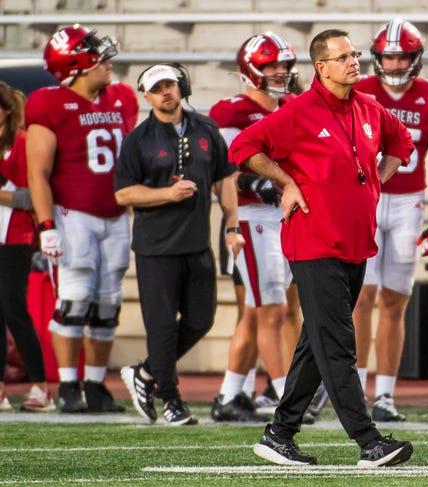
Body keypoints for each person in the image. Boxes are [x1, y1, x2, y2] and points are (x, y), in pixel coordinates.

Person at [230, 28, 415, 467]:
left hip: (355, 244)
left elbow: (402, 143)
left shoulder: (370, 108)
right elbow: (243, 148)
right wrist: (287, 181)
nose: (354, 61)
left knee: (316, 343)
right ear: (321, 67)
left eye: (355, 54)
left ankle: (279, 433)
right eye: (344, 56)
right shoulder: (298, 112)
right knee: (337, 343)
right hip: (313, 242)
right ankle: (369, 441)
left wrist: (376, 181)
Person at [116, 63, 242, 426]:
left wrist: (232, 225)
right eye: (157, 89)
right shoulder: (138, 139)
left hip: (197, 243)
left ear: (181, 85)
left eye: (169, 85)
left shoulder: (206, 128)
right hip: (156, 247)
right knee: (162, 327)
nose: (165, 93)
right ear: (147, 96)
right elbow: (124, 192)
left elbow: (226, 179)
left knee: (202, 320)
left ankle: (146, 373)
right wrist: (167, 193)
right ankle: (170, 398)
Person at [26, 24, 138, 413]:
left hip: (116, 215)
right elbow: (37, 173)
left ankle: (94, 384)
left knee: (108, 304)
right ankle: (69, 385)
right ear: (75, 64)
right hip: (73, 215)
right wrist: (46, 225)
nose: (106, 61)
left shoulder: (122, 97)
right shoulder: (48, 103)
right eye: (95, 54)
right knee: (73, 301)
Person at [352, 18, 428, 422]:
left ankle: (386, 395)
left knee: (395, 301)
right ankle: (354, 388)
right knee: (361, 298)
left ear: (416, 59)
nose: (394, 66)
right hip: (365, 200)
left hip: (409, 201)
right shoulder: (358, 91)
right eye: (388, 57)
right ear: (377, 59)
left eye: (401, 57)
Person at [208, 32, 299, 423]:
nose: (279, 72)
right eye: (270, 65)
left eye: (283, 65)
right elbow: (224, 173)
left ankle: (230, 395)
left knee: (253, 312)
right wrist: (264, 183)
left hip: (283, 217)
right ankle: (284, 395)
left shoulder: (292, 106)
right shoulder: (232, 111)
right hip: (250, 219)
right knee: (271, 309)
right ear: (250, 69)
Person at [0, 82, 55, 413]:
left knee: (14, 310)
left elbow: (30, 195)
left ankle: (42, 387)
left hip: (15, 237)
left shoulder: (21, 143)